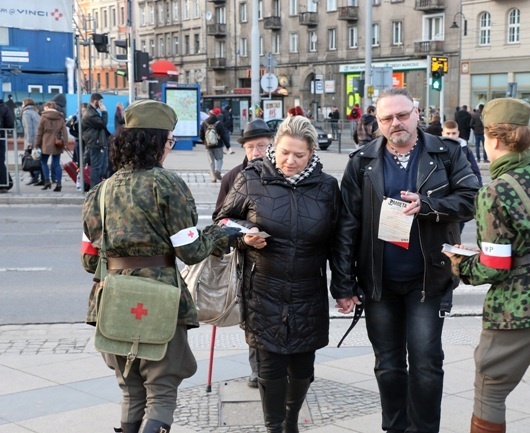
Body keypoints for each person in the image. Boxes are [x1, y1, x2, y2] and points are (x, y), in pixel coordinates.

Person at [81, 99, 242, 433]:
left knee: (130, 388)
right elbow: (192, 251)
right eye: (169, 141)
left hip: (111, 299)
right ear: (157, 142)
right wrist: (217, 235)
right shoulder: (167, 185)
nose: (169, 148)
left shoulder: (99, 192)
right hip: (160, 300)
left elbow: (88, 259)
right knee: (162, 388)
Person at [330, 88, 480, 432]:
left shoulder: (447, 153)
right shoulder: (362, 161)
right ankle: (395, 427)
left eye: (402, 115)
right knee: (388, 364)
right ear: (377, 122)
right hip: (379, 281)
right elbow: (346, 226)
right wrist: (343, 282)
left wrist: (428, 207)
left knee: (426, 362)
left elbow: (471, 199)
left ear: (416, 113)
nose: (395, 123)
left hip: (428, 279)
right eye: (387, 118)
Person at [443, 98, 530, 433]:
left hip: (518, 310)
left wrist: (461, 264)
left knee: (490, 387)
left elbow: (494, 265)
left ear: (493, 139)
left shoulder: (495, 191)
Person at [216, 115, 341, 433]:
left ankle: (290, 421)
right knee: (269, 368)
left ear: (312, 152)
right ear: (275, 147)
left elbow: (340, 240)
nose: (290, 160)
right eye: (285, 152)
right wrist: (246, 233)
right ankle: (275, 427)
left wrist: (345, 285)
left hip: (307, 290)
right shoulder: (251, 178)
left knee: (302, 369)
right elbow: (223, 221)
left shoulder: (327, 188)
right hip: (263, 289)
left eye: (299, 155)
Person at [212, 118, 275, 389]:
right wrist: (244, 234)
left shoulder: (282, 172)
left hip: (279, 255)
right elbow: (220, 220)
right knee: (253, 314)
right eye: (251, 147)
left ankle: (289, 365)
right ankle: (257, 368)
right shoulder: (233, 177)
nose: (257, 152)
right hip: (246, 256)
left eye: (262, 145)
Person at [35, 101, 67, 192]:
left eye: (45, 107)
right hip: (57, 142)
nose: (44, 109)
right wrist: (65, 143)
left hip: (46, 142)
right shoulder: (60, 117)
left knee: (44, 162)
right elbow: (64, 131)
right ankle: (59, 183)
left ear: (48, 107)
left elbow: (39, 132)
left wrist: (36, 144)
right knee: (56, 163)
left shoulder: (43, 117)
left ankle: (47, 181)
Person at [82, 93, 111, 187]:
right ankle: (94, 189)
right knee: (96, 168)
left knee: (102, 167)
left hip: (98, 142)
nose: (102, 104)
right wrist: (104, 112)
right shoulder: (90, 114)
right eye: (101, 102)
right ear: (95, 101)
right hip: (95, 143)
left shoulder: (93, 112)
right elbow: (102, 123)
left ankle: (97, 188)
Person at [442, 120, 482, 186]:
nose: (451, 136)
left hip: (462, 187)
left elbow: (475, 171)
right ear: (443, 134)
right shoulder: (436, 150)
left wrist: (478, 188)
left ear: (458, 133)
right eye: (448, 133)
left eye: (454, 133)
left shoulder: (465, 149)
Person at [199, 107, 228, 182]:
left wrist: (205, 141)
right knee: (219, 159)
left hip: (208, 145)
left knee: (211, 161)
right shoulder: (219, 123)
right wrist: (228, 145)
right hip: (218, 145)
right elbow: (224, 135)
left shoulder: (204, 123)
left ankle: (213, 178)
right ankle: (218, 170)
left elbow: (201, 135)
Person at [21, 98, 43, 185]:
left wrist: (29, 141)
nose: (22, 105)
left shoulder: (26, 113)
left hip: (31, 139)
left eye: (22, 103)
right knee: (37, 159)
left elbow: (28, 128)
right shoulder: (35, 112)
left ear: (25, 104)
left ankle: (34, 177)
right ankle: (41, 178)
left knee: (28, 159)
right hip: (37, 139)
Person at [0, 96, 15, 193]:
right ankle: (5, 183)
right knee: (0, 161)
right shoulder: (4, 108)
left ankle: (6, 182)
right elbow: (10, 123)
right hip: (0, 137)